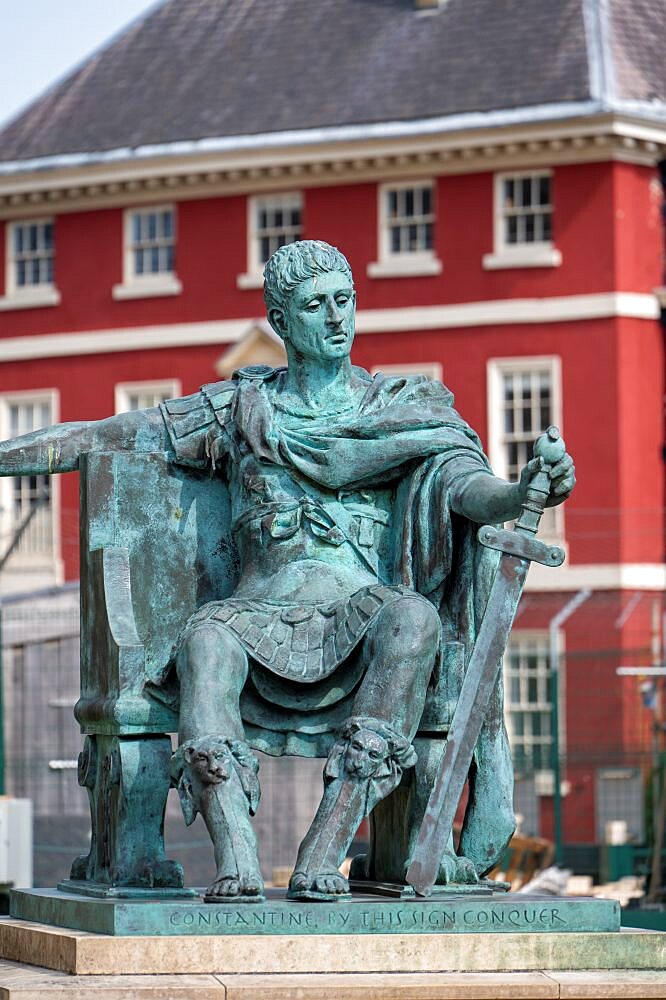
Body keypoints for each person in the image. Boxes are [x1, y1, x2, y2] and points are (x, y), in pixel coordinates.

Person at [0, 240, 575, 903]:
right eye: (314, 305)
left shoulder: (401, 408)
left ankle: (326, 846)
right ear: (281, 319)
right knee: (204, 642)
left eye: (344, 301)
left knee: (413, 620)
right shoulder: (240, 410)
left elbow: (469, 488)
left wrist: (526, 489)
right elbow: (105, 435)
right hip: (256, 615)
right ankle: (236, 856)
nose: (336, 319)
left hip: (362, 620)